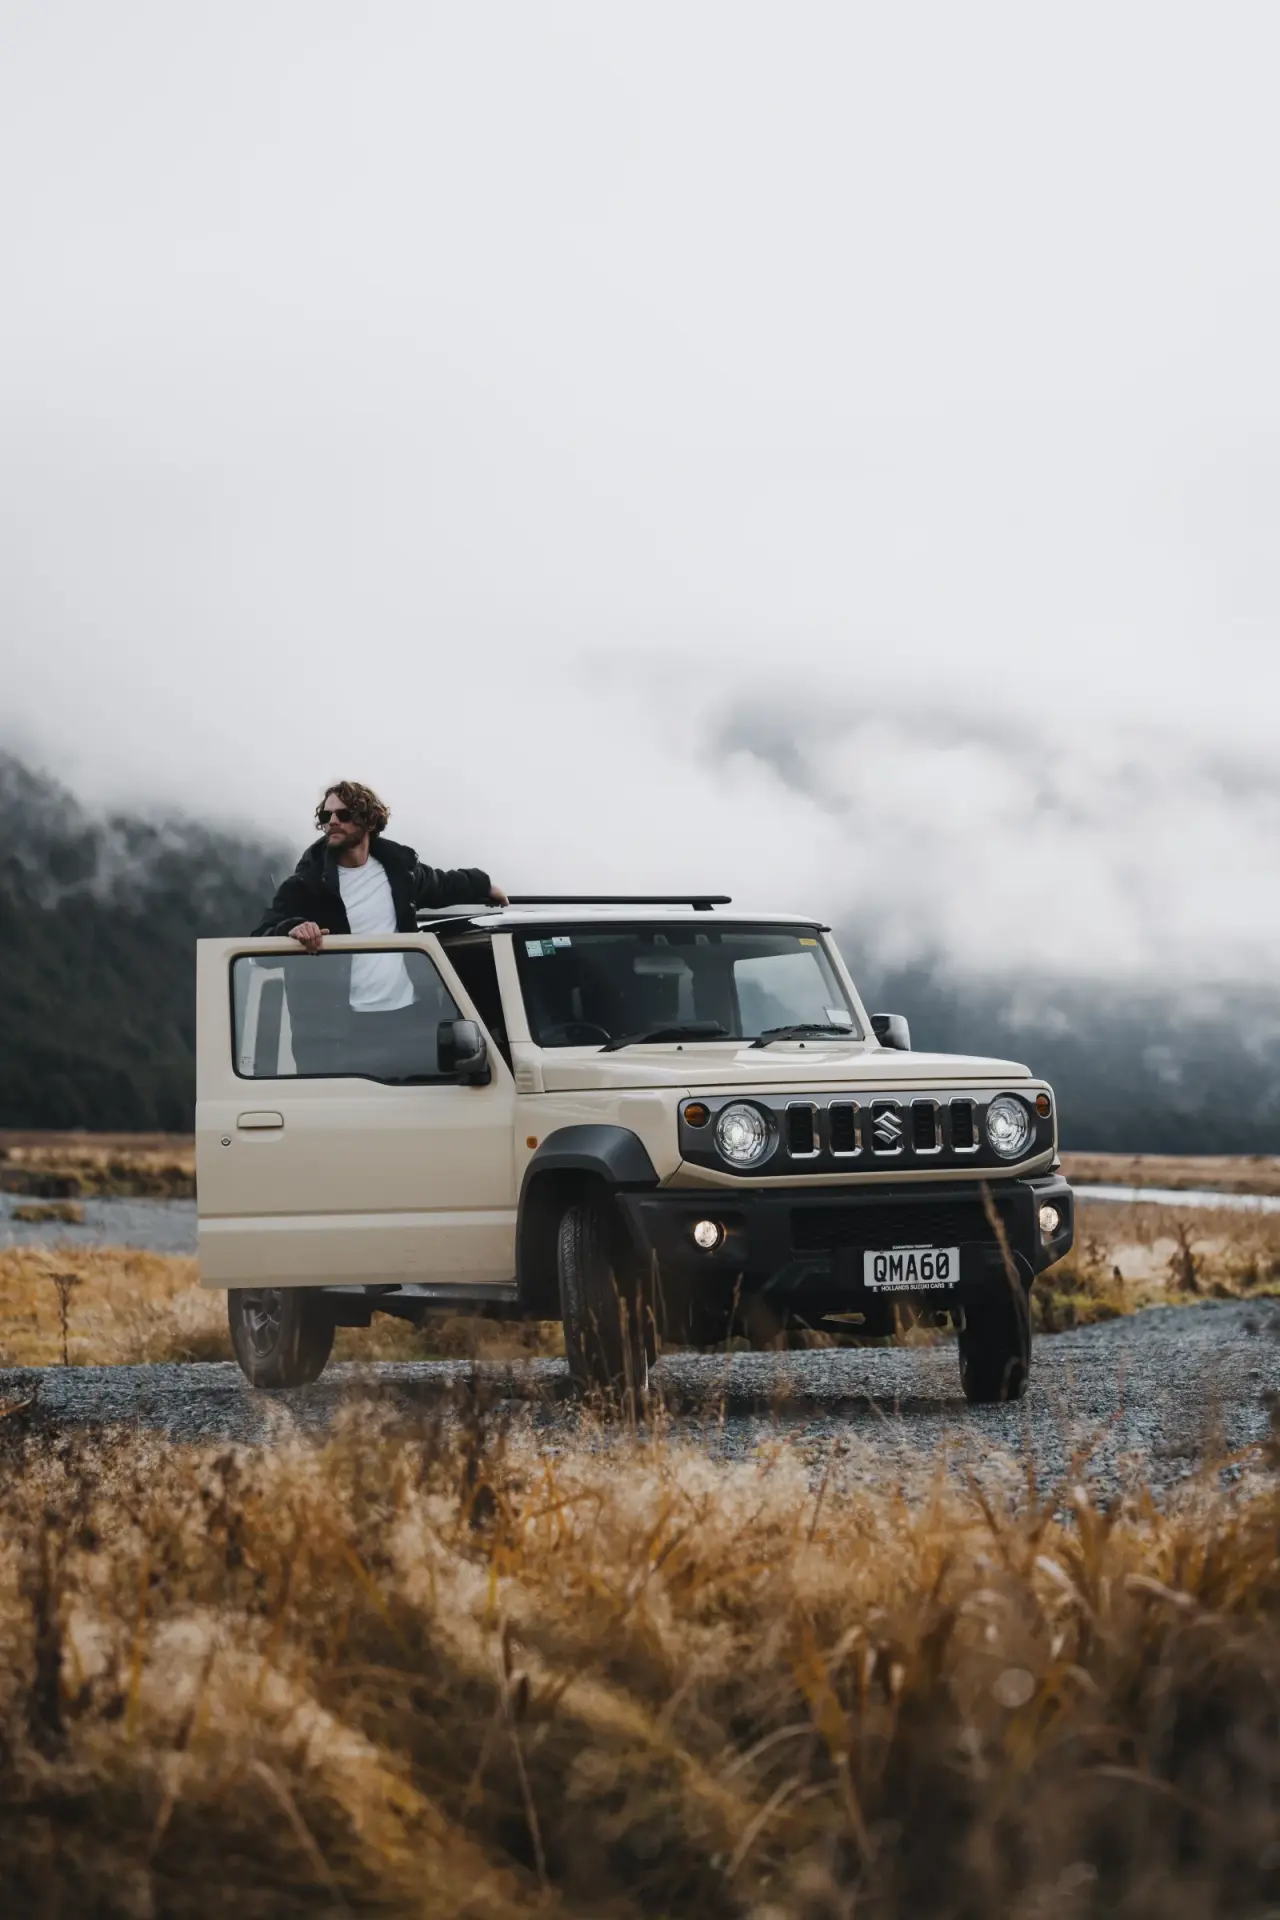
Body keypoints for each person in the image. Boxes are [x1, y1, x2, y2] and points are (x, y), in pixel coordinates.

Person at [252, 780, 507, 1077]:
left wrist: (484, 885)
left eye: (344, 815)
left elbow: (443, 885)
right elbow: (260, 943)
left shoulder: (401, 871)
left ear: (369, 821)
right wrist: (293, 928)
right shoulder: (305, 885)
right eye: (326, 816)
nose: (332, 821)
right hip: (340, 1032)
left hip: (408, 1019)